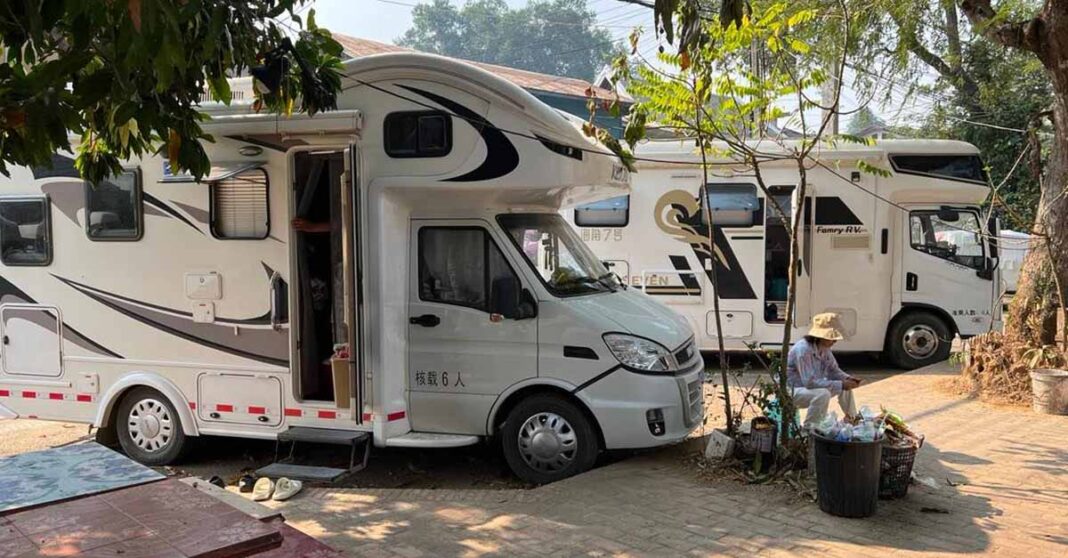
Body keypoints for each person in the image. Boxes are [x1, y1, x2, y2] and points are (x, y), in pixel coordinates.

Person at [787, 312, 862, 430]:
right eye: (832, 337)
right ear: (821, 336)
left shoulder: (824, 348)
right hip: (791, 390)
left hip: (807, 389)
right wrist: (841, 384)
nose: (835, 341)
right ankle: (810, 429)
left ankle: (853, 419)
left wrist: (847, 379)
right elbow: (809, 382)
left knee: (845, 386)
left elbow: (834, 370)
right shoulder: (803, 350)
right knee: (823, 394)